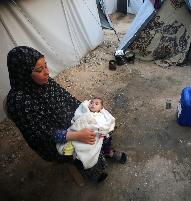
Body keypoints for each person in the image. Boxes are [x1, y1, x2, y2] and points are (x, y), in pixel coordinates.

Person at [6, 46, 126, 183]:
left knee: (102, 124)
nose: (47, 72)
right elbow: (43, 136)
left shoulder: (45, 82)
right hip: (55, 141)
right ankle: (92, 170)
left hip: (74, 122)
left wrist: (88, 112)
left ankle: (106, 150)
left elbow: (70, 100)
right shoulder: (19, 103)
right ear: (23, 74)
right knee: (86, 146)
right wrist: (78, 135)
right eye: (40, 70)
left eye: (45, 66)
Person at [56, 98, 127, 169]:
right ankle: (88, 163)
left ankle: (108, 152)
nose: (93, 104)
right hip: (82, 134)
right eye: (91, 103)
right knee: (87, 151)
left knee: (106, 139)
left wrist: (102, 130)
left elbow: (107, 124)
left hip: (97, 134)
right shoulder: (84, 112)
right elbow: (77, 121)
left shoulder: (101, 115)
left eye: (96, 104)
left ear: (101, 108)